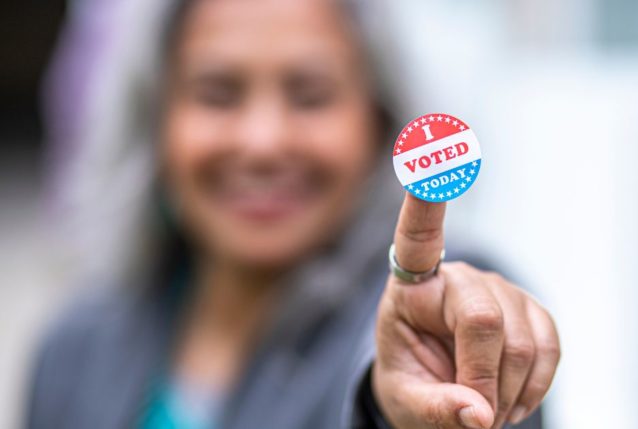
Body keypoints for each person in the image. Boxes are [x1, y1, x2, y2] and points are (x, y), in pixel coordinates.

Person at [28, 0, 560, 428]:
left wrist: (395, 412)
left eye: (311, 96)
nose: (263, 141)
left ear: (378, 120)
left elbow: (441, 379)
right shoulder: (76, 347)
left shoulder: (438, 313)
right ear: (154, 122)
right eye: (217, 94)